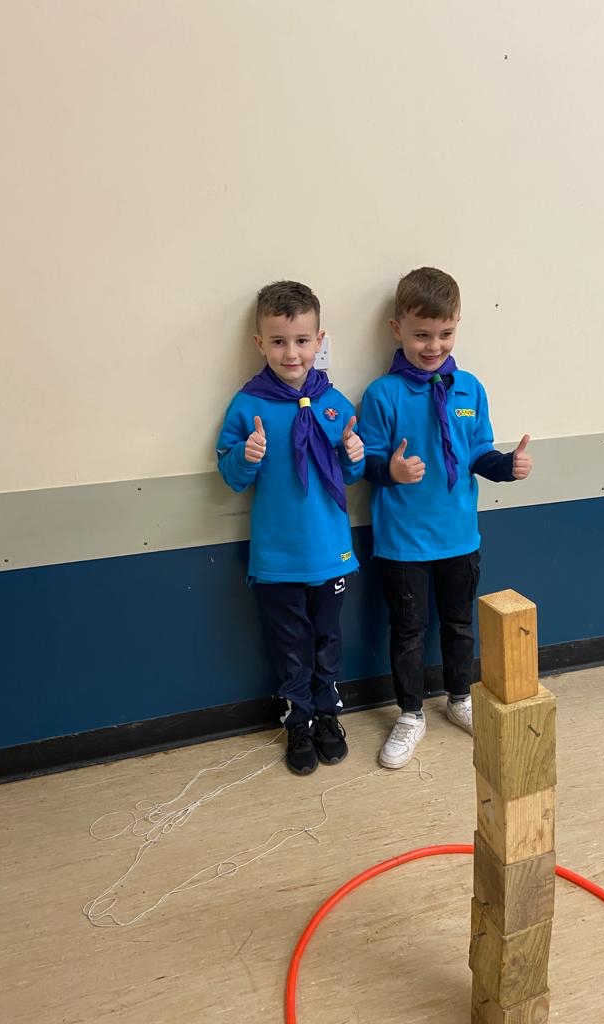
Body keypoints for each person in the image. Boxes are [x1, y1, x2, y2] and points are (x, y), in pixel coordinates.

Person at [359, 267, 533, 768]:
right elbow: (365, 462)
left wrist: (507, 467)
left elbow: (478, 452)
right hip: (403, 542)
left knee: (459, 625)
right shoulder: (382, 395)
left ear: (457, 326)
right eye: (421, 335)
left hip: (458, 537)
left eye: (445, 333)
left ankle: (459, 698)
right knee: (407, 631)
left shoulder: (469, 389)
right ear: (397, 329)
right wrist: (390, 470)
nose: (433, 345)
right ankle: (410, 714)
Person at [217, 281, 365, 775]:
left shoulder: (334, 402)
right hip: (278, 557)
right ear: (259, 343)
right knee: (290, 646)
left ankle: (328, 715)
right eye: (278, 342)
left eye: (302, 340)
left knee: (328, 640)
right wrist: (246, 455)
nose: (291, 353)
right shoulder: (247, 406)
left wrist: (355, 455)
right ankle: (298, 719)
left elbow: (351, 473)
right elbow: (231, 475)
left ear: (319, 340)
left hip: (330, 551)